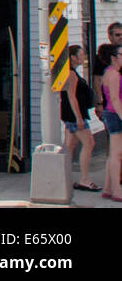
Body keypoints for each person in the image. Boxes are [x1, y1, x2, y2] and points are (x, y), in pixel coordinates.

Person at [61, 45, 99, 192]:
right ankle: (84, 179)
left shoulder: (73, 73)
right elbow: (71, 97)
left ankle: (65, 178)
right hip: (74, 116)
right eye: (81, 55)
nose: (83, 57)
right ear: (73, 57)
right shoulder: (71, 74)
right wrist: (79, 118)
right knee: (89, 143)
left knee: (69, 146)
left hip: (70, 115)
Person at [100, 44, 122, 202]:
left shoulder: (109, 71)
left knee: (114, 154)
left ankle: (108, 188)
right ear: (114, 57)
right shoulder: (114, 74)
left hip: (112, 114)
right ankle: (116, 190)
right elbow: (115, 99)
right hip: (115, 114)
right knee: (117, 155)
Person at [94, 24, 122, 121]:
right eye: (117, 35)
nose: (121, 37)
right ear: (110, 36)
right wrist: (99, 102)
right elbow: (97, 80)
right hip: (110, 105)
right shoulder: (104, 56)